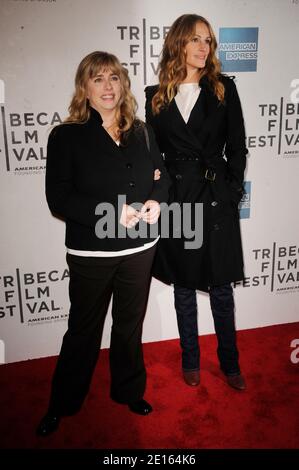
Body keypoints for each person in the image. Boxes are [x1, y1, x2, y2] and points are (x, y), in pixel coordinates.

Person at [36, 51, 170, 437]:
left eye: (114, 77)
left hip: (139, 250)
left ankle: (129, 391)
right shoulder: (66, 136)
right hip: (91, 253)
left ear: (123, 84)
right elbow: (59, 198)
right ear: (85, 88)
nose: (108, 86)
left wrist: (156, 200)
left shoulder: (142, 131)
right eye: (98, 79)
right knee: (83, 330)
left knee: (129, 327)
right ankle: (62, 403)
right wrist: (112, 212)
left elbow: (162, 180)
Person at [145, 14, 247, 390]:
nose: (204, 47)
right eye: (195, 39)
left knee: (221, 286)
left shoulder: (223, 89)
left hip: (215, 195)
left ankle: (231, 363)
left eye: (208, 40)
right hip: (177, 200)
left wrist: (232, 191)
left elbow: (237, 146)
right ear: (179, 44)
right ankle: (190, 359)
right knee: (184, 286)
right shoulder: (155, 96)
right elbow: (152, 155)